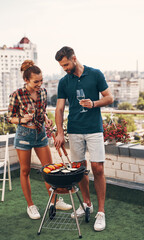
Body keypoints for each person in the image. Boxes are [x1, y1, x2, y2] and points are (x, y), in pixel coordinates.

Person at [54, 47, 114, 231]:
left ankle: (101, 212)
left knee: (97, 168)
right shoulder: (64, 82)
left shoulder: (95, 74)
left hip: (94, 129)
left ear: (74, 58)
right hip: (74, 130)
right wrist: (60, 132)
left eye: (66, 64)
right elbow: (59, 109)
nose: (64, 68)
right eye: (61, 66)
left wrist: (94, 103)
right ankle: (87, 203)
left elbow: (110, 97)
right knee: (79, 170)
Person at [7, 60, 72, 220]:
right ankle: (31, 205)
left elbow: (41, 111)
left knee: (49, 169)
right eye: (36, 81)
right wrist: (22, 119)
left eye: (41, 80)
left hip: (41, 133)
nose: (40, 84)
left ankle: (55, 200)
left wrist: (46, 119)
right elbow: (9, 117)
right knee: (25, 171)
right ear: (26, 80)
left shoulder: (43, 92)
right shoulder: (17, 95)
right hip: (24, 135)